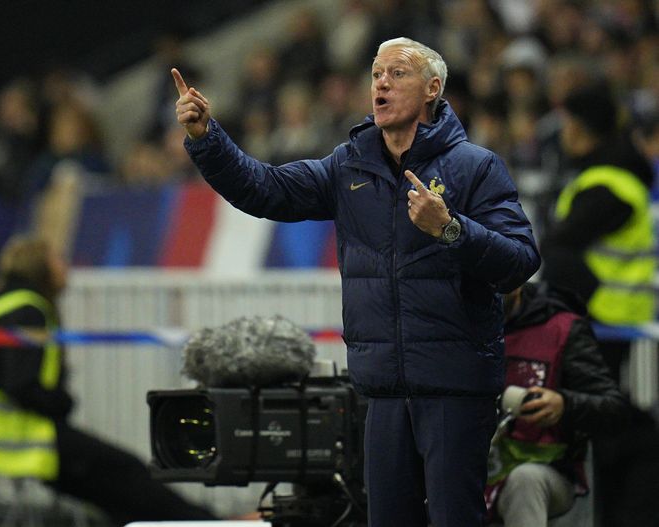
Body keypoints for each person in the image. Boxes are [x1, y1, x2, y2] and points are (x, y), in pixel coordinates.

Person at [172, 37, 540, 527]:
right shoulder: (348, 165)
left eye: (397, 73)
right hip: (381, 392)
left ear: (432, 89)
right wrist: (206, 138)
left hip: (454, 386)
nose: (381, 83)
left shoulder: (476, 167)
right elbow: (266, 190)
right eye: (376, 73)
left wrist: (451, 229)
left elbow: (519, 261)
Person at [0, 235, 217, 524]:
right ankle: (203, 522)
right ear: (40, 266)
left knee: (117, 481)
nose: (66, 268)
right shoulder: (27, 308)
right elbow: (20, 385)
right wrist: (61, 403)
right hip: (19, 441)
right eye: (58, 260)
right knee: (126, 474)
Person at [486, 281, 629, 526]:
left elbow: (613, 408)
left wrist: (565, 404)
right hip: (468, 468)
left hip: (545, 471)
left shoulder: (561, 328)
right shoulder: (451, 325)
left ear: (519, 280)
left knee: (525, 480)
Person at [540, 81, 655, 381]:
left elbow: (558, 243)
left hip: (607, 316)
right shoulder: (607, 176)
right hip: (609, 314)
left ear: (578, 128)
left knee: (601, 412)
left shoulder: (607, 186)